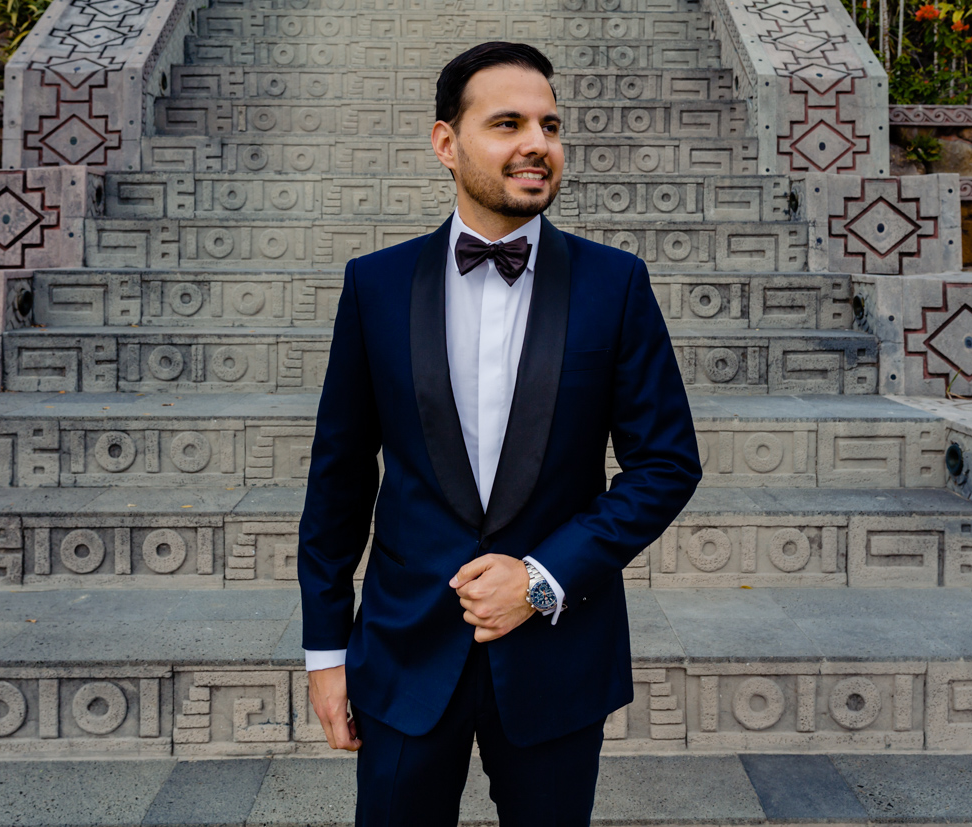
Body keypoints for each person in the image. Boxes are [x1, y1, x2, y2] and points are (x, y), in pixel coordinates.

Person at [297, 40, 702, 826]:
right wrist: (325, 652)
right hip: (403, 650)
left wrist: (543, 577)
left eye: (550, 125)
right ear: (446, 143)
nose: (537, 144)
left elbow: (666, 462)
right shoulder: (374, 285)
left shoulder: (614, 283)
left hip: (557, 654)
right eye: (508, 122)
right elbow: (339, 478)